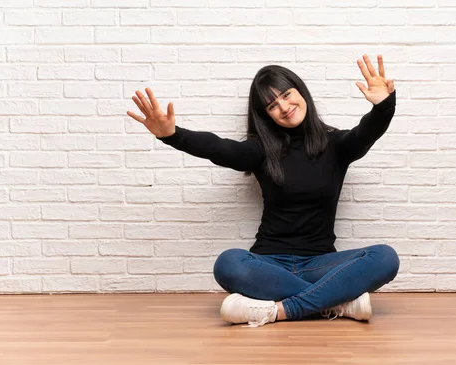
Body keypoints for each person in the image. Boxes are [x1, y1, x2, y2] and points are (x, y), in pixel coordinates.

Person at [127, 54, 400, 328]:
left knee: (385, 257)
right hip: (268, 265)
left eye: (287, 95)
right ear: (266, 115)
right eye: (272, 105)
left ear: (301, 92)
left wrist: (383, 107)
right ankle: (337, 302)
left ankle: (280, 309)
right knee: (228, 263)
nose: (283, 107)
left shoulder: (337, 145)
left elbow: (366, 131)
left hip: (321, 264)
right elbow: (219, 148)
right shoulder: (261, 151)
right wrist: (172, 135)